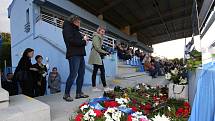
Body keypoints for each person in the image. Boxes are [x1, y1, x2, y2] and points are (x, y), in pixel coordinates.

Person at [62, 15, 89, 102]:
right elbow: (71, 41)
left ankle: (79, 93)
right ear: (73, 21)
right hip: (73, 54)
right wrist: (84, 41)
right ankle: (66, 94)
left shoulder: (75, 30)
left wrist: (84, 40)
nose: (79, 24)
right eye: (78, 22)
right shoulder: (67, 28)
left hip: (80, 54)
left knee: (81, 74)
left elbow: (77, 41)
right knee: (73, 74)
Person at [88, 26, 113, 92]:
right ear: (98, 31)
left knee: (95, 71)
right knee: (102, 71)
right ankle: (105, 87)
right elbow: (97, 47)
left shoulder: (99, 37)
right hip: (96, 55)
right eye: (102, 31)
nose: (103, 33)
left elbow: (98, 47)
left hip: (97, 55)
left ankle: (94, 87)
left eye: (104, 32)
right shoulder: (96, 36)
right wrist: (105, 52)